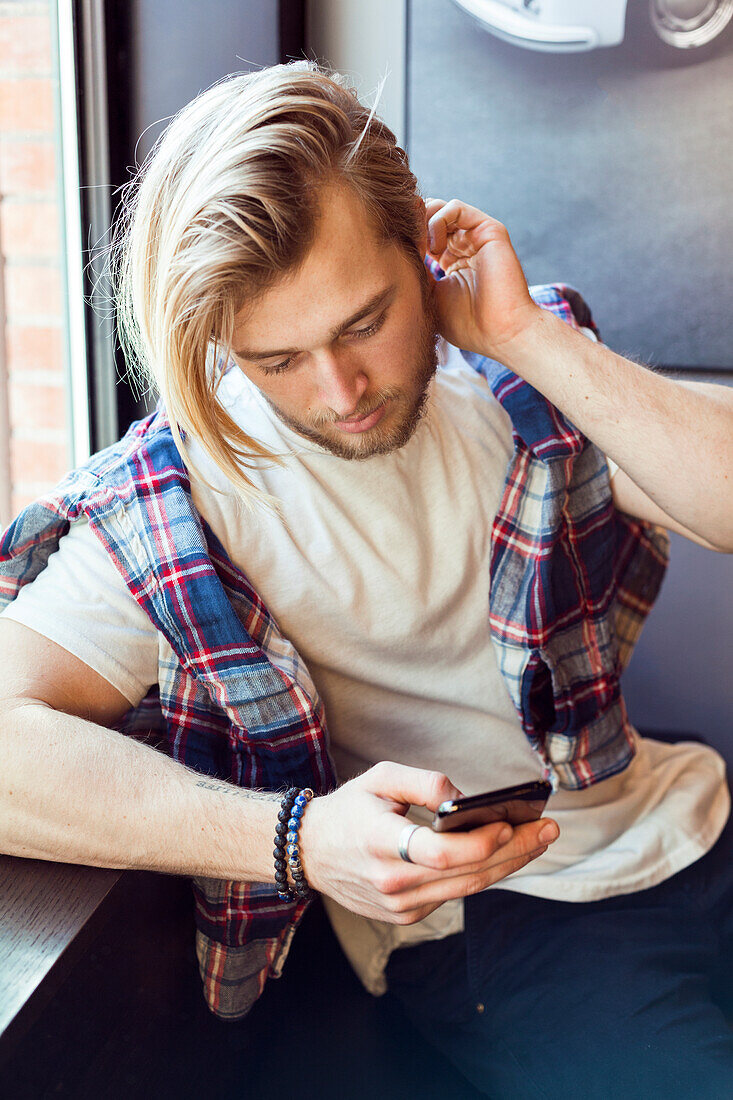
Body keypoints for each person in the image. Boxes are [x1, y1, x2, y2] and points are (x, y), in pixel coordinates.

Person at [1, 59, 732, 1098]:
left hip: (685, 810)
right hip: (497, 922)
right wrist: (293, 838)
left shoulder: (509, 382)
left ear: (420, 245)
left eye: (362, 323)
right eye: (275, 358)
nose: (339, 391)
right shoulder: (181, 505)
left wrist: (527, 335)